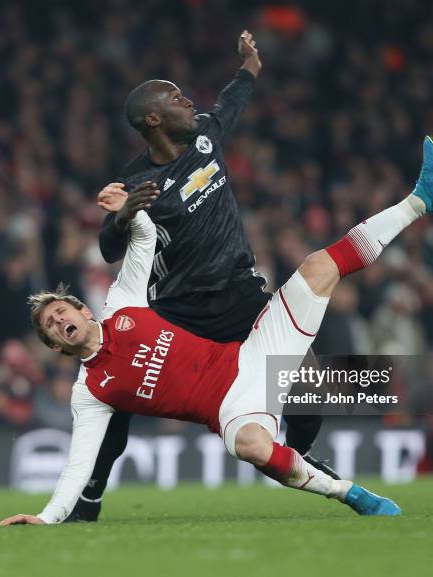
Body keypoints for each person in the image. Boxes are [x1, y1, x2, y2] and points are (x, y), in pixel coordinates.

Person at [0, 136, 433, 526]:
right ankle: (351, 495)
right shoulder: (91, 392)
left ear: (80, 307)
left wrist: (129, 211)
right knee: (251, 446)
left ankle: (420, 200)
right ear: (55, 346)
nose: (60, 321)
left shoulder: (122, 307)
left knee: (317, 267)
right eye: (52, 327)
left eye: (60, 311)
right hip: (232, 408)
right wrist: (46, 516)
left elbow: (144, 241)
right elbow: (76, 465)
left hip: (252, 354)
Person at [70, 29, 324, 522]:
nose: (190, 102)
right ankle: (89, 494)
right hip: (178, 307)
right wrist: (123, 218)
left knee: (309, 383)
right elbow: (106, 248)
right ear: (154, 119)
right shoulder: (138, 182)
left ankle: (299, 458)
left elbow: (234, 100)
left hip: (239, 294)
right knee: (115, 387)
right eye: (177, 98)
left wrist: (249, 64)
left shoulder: (206, 134)